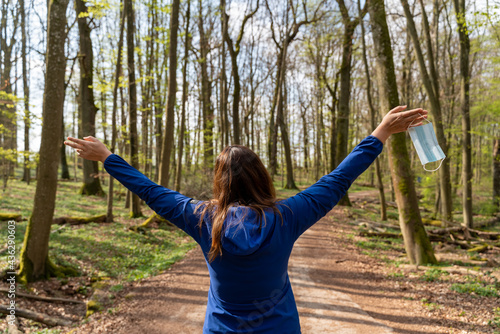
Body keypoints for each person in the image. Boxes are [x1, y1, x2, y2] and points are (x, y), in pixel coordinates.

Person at [64, 105, 427, 333]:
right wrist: (380, 132)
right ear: (263, 177)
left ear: (219, 182)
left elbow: (151, 191)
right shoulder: (286, 216)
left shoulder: (202, 218)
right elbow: (337, 180)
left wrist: (108, 157)